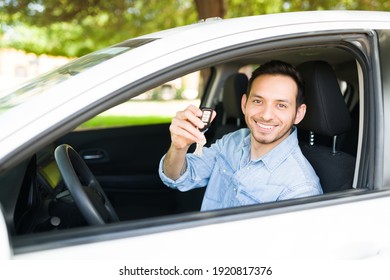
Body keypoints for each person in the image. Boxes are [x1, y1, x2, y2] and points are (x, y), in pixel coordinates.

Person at [158, 60, 323, 211]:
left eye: (281, 105)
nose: (266, 115)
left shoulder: (301, 188)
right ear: (244, 104)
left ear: (298, 114)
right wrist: (178, 148)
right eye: (258, 101)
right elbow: (179, 177)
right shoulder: (232, 141)